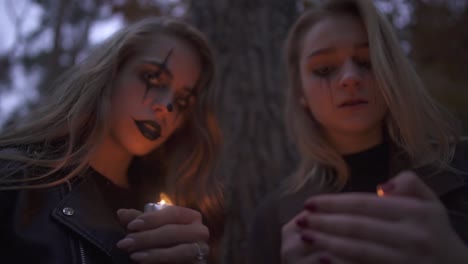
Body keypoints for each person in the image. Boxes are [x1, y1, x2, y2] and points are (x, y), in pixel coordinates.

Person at [248, 0, 468, 263]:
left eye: (366, 61)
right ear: (300, 93)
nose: (350, 78)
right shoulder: (275, 218)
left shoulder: (461, 167)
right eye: (325, 69)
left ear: (391, 71)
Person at [0, 17, 224, 264]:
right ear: (110, 73)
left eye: (182, 101)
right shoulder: (16, 180)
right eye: (152, 78)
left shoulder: (177, 212)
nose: (166, 106)